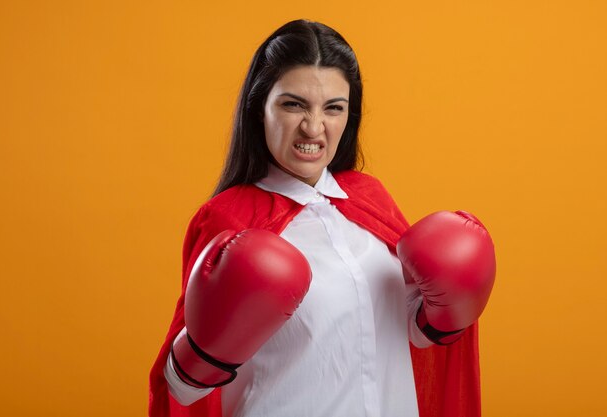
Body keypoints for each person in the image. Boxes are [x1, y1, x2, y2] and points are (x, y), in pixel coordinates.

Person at [149, 19, 495, 417]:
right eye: (293, 104)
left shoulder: (370, 199)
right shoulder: (227, 217)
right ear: (259, 107)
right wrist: (203, 352)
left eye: (333, 108)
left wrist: (447, 314)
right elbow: (182, 391)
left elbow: (412, 337)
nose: (313, 127)